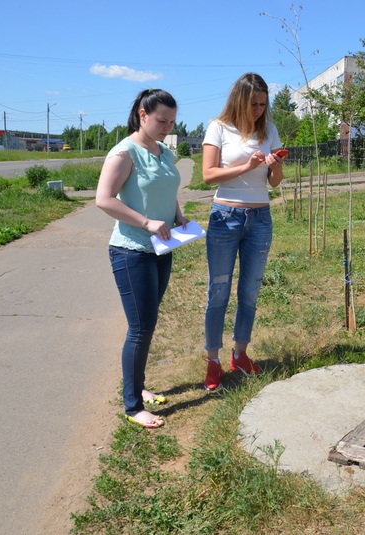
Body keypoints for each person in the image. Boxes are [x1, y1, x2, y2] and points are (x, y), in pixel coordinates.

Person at [96, 89, 188, 429]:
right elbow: (103, 199)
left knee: (146, 324)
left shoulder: (163, 151)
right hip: (131, 249)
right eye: (161, 121)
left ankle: (139, 386)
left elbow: (166, 190)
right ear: (142, 114)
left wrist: (177, 214)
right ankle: (133, 406)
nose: (166, 127)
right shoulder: (124, 152)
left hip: (160, 250)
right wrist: (147, 222)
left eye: (171, 122)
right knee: (140, 328)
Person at [201, 73, 286, 390]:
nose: (259, 110)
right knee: (218, 291)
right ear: (239, 100)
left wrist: (274, 164)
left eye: (263, 104)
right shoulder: (218, 128)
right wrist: (247, 167)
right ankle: (213, 360)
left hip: (260, 218)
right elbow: (209, 175)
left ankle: (240, 354)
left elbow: (274, 182)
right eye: (253, 104)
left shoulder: (269, 130)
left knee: (249, 292)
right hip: (225, 216)